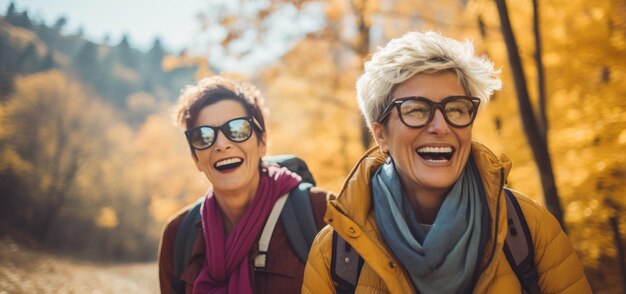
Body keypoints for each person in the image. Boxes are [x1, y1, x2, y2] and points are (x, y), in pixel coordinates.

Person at [302, 31, 591, 293]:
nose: (441, 126)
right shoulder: (334, 254)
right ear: (381, 136)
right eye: (416, 110)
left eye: (455, 108)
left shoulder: (530, 228)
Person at [159, 76, 327, 294]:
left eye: (237, 129)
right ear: (195, 158)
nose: (222, 145)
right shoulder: (179, 234)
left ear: (263, 143)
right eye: (204, 136)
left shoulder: (320, 212)